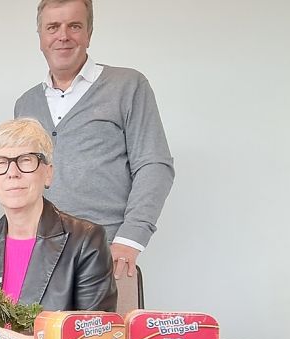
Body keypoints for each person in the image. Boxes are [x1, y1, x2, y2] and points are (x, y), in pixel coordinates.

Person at [14, 0, 174, 279]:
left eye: (74, 26)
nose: (63, 36)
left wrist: (130, 239)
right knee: (35, 325)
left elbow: (153, 164)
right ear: (40, 37)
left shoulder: (128, 85)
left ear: (88, 33)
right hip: (38, 255)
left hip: (105, 253)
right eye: (53, 27)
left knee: (110, 325)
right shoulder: (26, 104)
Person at [0, 118, 116, 311]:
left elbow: (91, 335)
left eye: (26, 160)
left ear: (48, 173)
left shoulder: (86, 241)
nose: (12, 173)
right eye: (0, 162)